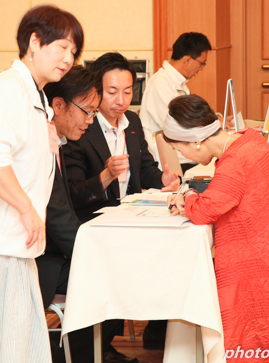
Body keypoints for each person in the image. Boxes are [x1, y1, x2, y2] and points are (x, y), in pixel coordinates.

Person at [164, 95, 269, 363]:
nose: (183, 156)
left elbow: (204, 211)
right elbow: (223, 194)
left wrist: (188, 195)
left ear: (195, 141)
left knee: (202, 295)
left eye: (180, 149)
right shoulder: (250, 140)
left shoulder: (234, 161)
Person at [0, 4, 83, 363]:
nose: (68, 58)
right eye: (62, 47)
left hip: (19, 245)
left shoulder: (36, 95)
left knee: (21, 346)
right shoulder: (7, 90)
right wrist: (26, 209)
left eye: (73, 51)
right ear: (34, 42)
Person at [62, 52, 180, 350]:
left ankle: (156, 332)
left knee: (170, 257)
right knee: (128, 276)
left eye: (127, 92)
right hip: (97, 227)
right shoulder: (81, 127)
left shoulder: (133, 122)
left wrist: (164, 180)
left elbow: (146, 168)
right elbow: (74, 193)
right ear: (96, 92)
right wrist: (106, 176)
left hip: (132, 221)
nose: (121, 101)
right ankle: (100, 347)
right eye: (112, 92)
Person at [38, 66, 137, 363]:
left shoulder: (57, 140)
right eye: (87, 111)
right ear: (58, 105)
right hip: (44, 262)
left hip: (59, 250)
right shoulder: (41, 143)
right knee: (110, 272)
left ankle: (98, 350)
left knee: (117, 265)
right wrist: (91, 251)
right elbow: (57, 216)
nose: (91, 120)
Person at [139, 32, 212, 173]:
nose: (201, 68)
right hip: (170, 163)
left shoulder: (179, 83)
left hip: (184, 156)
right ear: (188, 60)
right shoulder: (160, 84)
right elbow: (176, 128)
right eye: (202, 63)